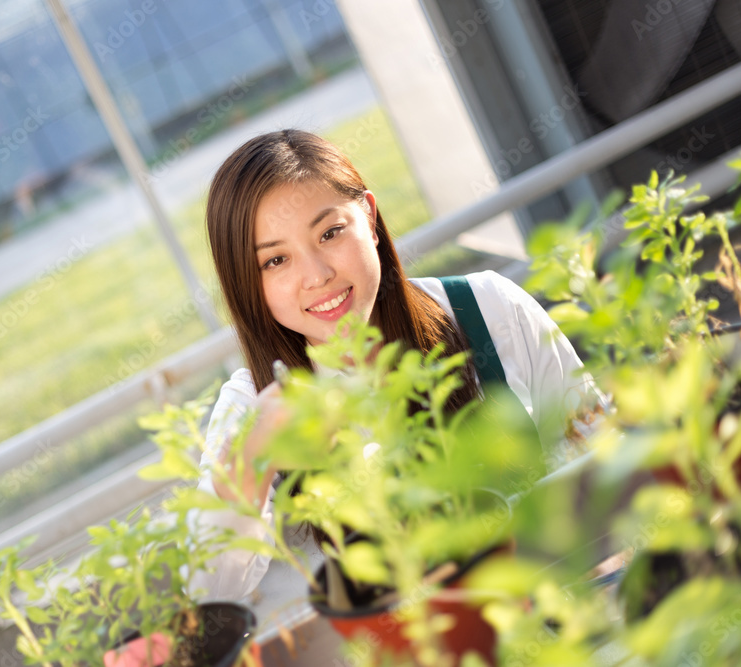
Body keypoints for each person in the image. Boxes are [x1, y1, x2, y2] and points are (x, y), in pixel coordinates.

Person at [191, 129, 605, 601]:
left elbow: (605, 455)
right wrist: (252, 461)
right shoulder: (255, 404)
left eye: (330, 233)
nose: (317, 275)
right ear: (246, 280)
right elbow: (211, 593)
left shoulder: (488, 307)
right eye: (276, 260)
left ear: (368, 217)